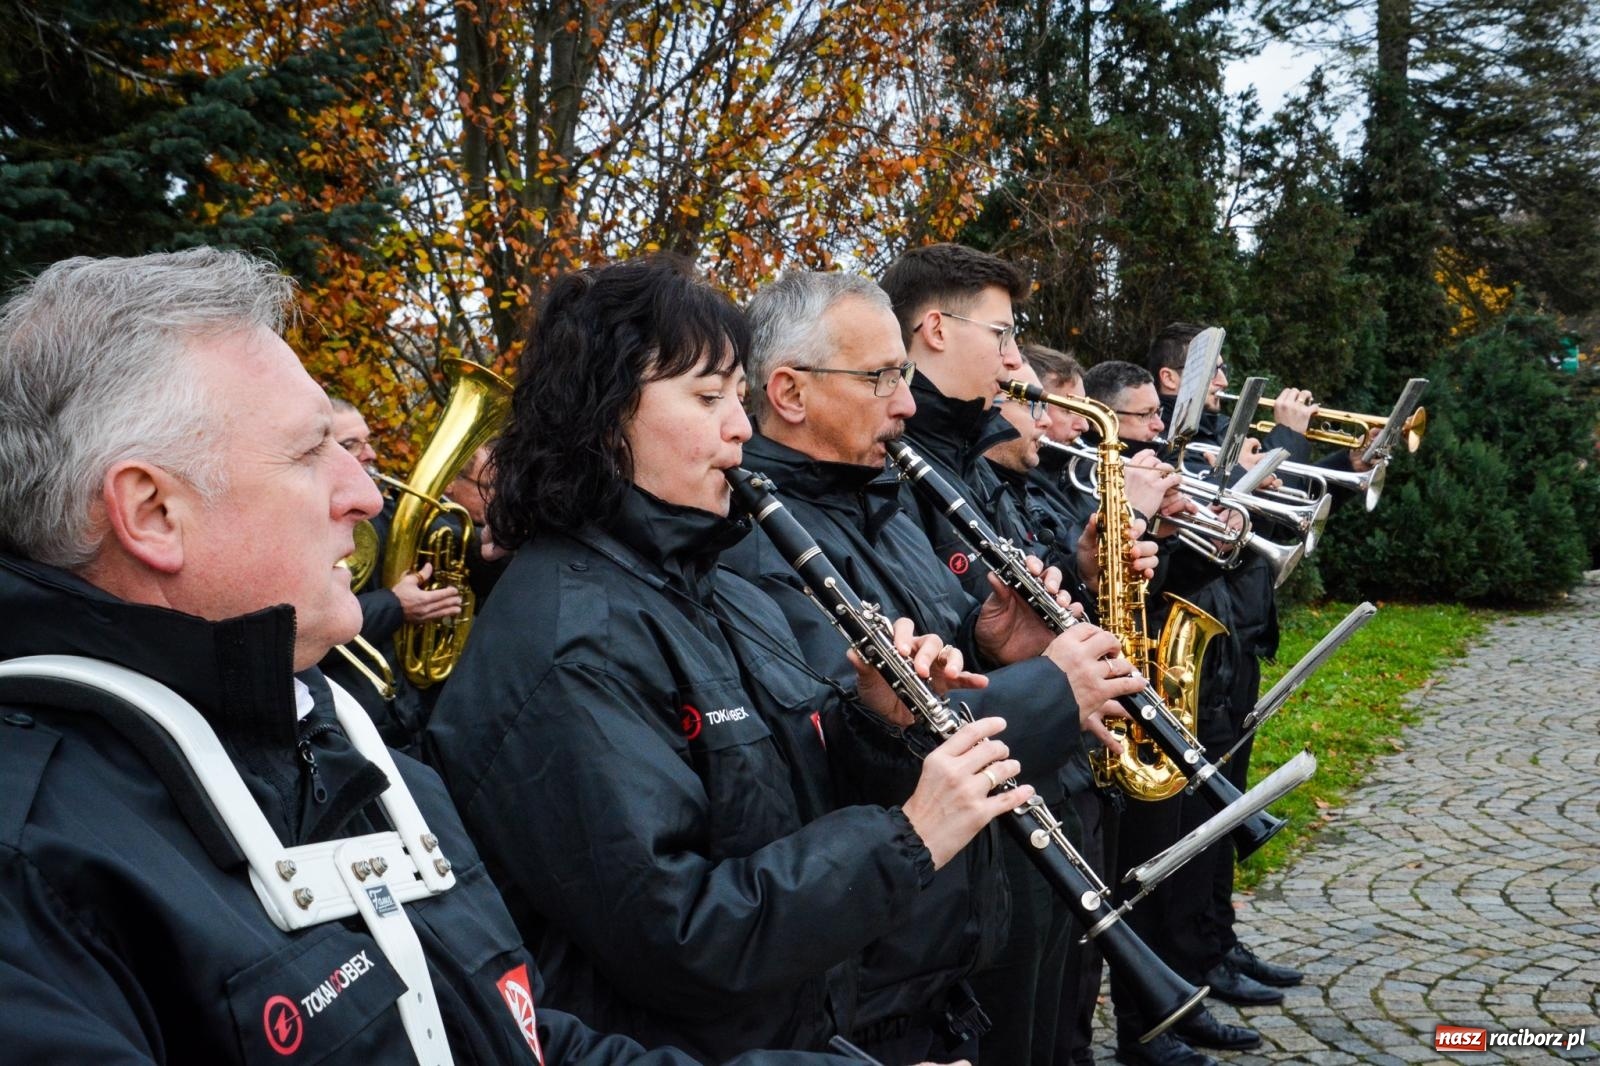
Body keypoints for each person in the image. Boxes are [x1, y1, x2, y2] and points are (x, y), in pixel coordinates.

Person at [0, 247, 867, 1065]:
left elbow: (512, 1038)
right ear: (151, 512)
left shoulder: (343, 741)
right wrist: (904, 841)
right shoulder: (34, 873)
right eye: (312, 452)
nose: (366, 494)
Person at [425, 256, 1027, 1064]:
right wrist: (910, 838)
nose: (740, 426)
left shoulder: (710, 583)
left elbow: (778, 816)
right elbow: (681, 934)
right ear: (603, 418)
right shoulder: (569, 642)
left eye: (736, 396)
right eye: (708, 398)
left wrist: (880, 727)